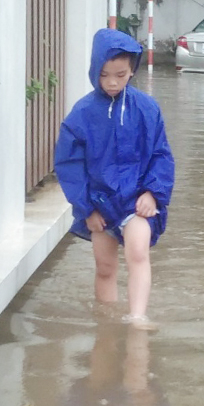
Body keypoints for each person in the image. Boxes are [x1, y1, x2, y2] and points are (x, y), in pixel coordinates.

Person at [55, 28, 175, 327]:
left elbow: (161, 155)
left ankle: (137, 317)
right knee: (105, 267)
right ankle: (106, 325)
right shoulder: (81, 115)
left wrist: (152, 193)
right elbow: (70, 166)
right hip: (100, 204)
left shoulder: (147, 109)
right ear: (94, 71)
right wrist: (88, 210)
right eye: (104, 74)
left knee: (137, 253)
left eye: (120, 74)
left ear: (132, 70)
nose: (112, 82)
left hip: (136, 202)